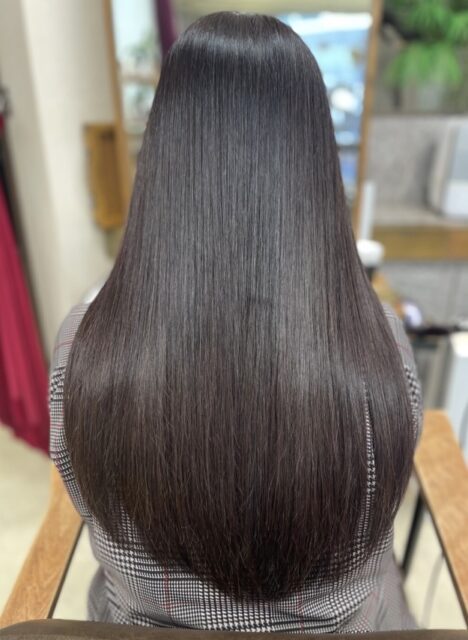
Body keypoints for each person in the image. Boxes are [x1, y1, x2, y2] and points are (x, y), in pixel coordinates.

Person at [50, 12, 422, 633]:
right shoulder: (383, 350)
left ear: (164, 155)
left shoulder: (83, 348)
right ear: (313, 164)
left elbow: (86, 501)